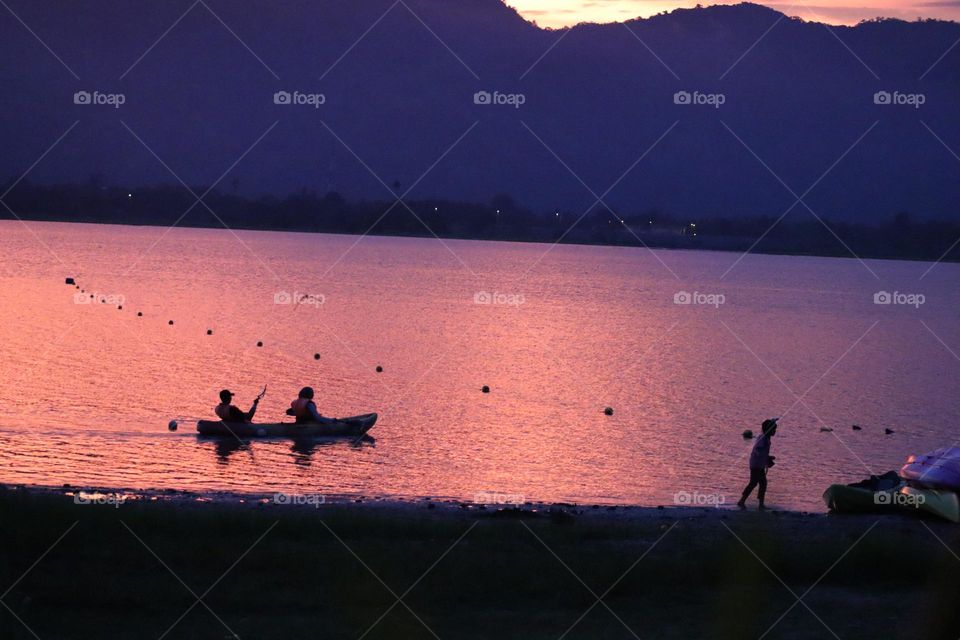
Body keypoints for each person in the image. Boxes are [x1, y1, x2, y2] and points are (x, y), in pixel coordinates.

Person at [737, 418, 778, 510]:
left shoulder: (766, 438)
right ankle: (743, 501)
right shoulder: (763, 438)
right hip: (756, 464)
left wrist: (767, 458)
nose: (775, 431)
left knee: (761, 483)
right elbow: (757, 450)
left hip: (758, 464)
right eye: (773, 429)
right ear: (769, 430)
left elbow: (761, 452)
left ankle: (758, 504)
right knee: (755, 483)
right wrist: (766, 459)